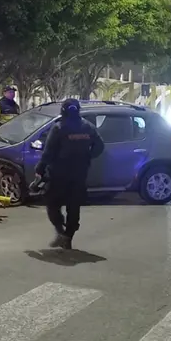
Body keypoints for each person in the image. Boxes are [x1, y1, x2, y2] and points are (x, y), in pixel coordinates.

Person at [34, 98, 104, 250]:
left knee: (52, 203)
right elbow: (99, 146)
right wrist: (87, 156)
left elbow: (48, 152)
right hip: (79, 174)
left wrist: (40, 168)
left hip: (58, 174)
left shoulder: (59, 128)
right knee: (74, 206)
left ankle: (60, 231)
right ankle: (68, 236)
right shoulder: (88, 127)